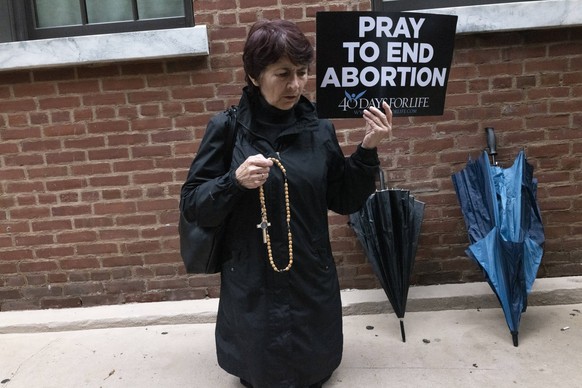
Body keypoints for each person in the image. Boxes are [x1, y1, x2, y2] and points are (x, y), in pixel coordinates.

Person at [180, 19, 392, 388]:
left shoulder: (318, 129)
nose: (295, 84)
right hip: (252, 275)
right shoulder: (227, 128)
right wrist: (234, 182)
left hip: (309, 271)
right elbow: (193, 204)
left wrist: (367, 150)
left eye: (302, 72)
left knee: (314, 370)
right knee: (260, 370)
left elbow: (343, 198)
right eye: (282, 73)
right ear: (254, 75)